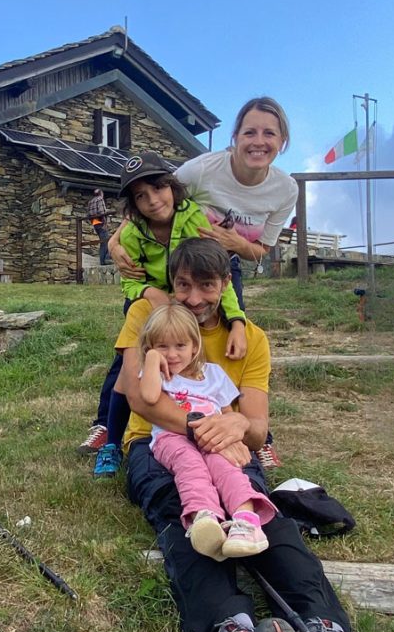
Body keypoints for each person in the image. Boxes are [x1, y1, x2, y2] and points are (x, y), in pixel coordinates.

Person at [117, 238, 376, 632]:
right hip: (157, 447)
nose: (194, 298)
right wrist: (207, 428)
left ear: (226, 285)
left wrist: (236, 428)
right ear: (171, 284)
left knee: (258, 509)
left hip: (227, 446)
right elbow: (139, 398)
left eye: (207, 285)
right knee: (185, 508)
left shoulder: (251, 338)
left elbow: (257, 425)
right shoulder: (146, 321)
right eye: (184, 285)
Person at [102, 97, 298, 470]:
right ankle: (110, 427)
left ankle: (254, 432)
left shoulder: (284, 189)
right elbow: (153, 199)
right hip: (169, 276)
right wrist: (116, 244)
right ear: (235, 137)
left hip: (219, 264)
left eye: (269, 133)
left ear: (282, 141)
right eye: (250, 132)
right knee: (136, 342)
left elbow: (262, 249)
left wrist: (237, 314)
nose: (258, 140)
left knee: (229, 336)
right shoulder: (201, 170)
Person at [89, 152, 247, 480]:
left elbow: (216, 272)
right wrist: (150, 294)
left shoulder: (195, 219)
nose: (152, 200)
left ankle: (242, 430)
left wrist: (237, 321)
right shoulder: (132, 234)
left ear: (173, 187)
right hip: (153, 303)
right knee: (126, 369)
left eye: (158, 188)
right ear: (132, 206)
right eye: (140, 196)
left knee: (208, 358)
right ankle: (111, 439)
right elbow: (129, 279)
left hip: (192, 297)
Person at [138, 303, 276, 559]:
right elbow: (147, 396)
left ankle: (246, 522)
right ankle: (205, 518)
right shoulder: (156, 374)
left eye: (180, 346)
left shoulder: (213, 374)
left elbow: (225, 413)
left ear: (195, 345)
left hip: (212, 435)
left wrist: (233, 440)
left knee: (226, 469)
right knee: (190, 466)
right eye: (162, 347)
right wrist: (151, 360)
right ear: (150, 347)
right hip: (172, 438)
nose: (171, 354)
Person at [87, 188, 111, 266]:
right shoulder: (100, 199)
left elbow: (89, 215)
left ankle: (102, 261)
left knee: (103, 242)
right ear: (101, 193)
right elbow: (102, 212)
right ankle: (105, 260)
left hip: (95, 223)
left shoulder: (90, 201)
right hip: (101, 222)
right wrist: (105, 223)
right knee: (107, 241)